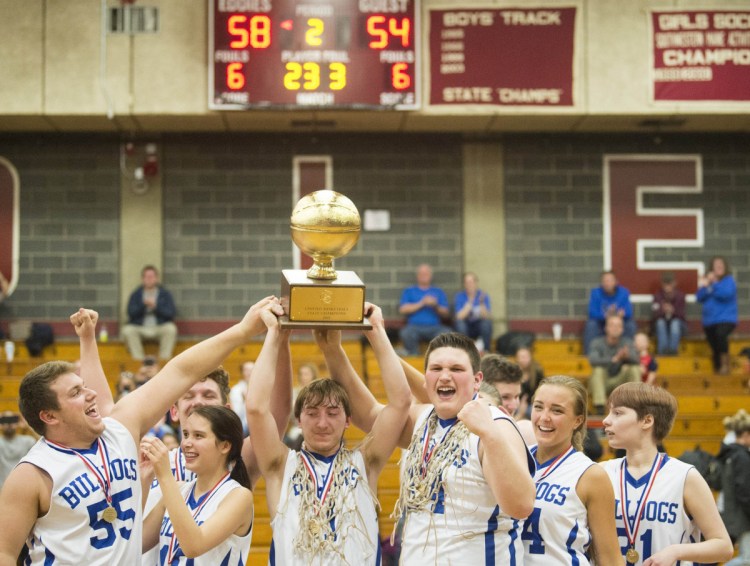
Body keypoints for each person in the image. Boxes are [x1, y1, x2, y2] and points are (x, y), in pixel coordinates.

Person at [0, 297, 284, 565]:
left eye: (84, 386)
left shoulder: (119, 431)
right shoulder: (31, 474)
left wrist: (244, 329)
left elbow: (180, 372)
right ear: (49, 416)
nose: (90, 395)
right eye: (76, 392)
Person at [342, 332, 535, 563]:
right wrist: (333, 350)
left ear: (477, 380)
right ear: (425, 378)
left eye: (456, 369)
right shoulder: (423, 418)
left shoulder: (496, 425)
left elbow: (522, 506)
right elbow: (368, 416)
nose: (445, 376)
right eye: (436, 369)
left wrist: (490, 435)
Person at [246, 301, 410, 564]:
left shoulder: (366, 462)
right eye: (312, 413)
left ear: (348, 420)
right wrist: (275, 335)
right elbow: (255, 408)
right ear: (298, 420)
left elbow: (401, 402)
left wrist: (376, 330)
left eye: (332, 413)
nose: (322, 423)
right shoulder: (279, 464)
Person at [601, 382, 734, 565]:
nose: (606, 420)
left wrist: (676, 551)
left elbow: (724, 547)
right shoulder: (600, 473)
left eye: (617, 413)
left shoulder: (685, 476)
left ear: (647, 421)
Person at [522, 375, 622, 565]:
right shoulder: (514, 460)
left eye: (557, 411)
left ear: (577, 421)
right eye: (538, 407)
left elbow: (609, 557)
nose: (544, 417)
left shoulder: (590, 475)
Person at [141, 406, 253, 565]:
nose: (186, 443)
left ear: (225, 446)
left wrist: (165, 475)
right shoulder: (179, 489)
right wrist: (144, 481)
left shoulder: (239, 496)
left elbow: (194, 546)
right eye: (186, 434)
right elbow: (133, 544)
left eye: (198, 436)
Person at [122, 265, 178, 361]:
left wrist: (156, 307)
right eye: (147, 277)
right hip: (141, 327)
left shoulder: (165, 294)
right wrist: (143, 305)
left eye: (151, 277)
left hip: (159, 326)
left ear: (156, 278)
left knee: (171, 329)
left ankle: (164, 361)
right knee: (128, 330)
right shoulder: (136, 294)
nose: (149, 279)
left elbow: (171, 313)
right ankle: (138, 361)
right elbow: (131, 313)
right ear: (142, 279)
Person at [588, 314, 640, 415]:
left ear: (622, 329)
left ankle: (636, 403)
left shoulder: (627, 342)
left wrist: (627, 357)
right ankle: (600, 408)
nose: (615, 328)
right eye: (612, 325)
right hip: (603, 381)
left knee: (633, 368)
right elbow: (593, 361)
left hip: (621, 382)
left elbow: (637, 360)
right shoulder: (597, 342)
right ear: (606, 328)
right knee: (598, 370)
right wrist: (614, 359)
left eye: (618, 326)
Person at [717, 412, 750, 566]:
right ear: (746, 434)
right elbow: (744, 490)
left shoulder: (728, 453)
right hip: (742, 516)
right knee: (747, 559)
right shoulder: (742, 456)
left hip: (731, 512)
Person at [696, 256, 738, 375]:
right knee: (714, 345)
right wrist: (705, 285)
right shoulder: (708, 283)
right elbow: (699, 297)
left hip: (726, 319)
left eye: (721, 265)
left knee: (721, 335)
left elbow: (726, 294)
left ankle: (725, 364)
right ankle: (718, 369)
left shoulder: (729, 280)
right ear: (712, 268)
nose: (719, 267)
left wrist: (713, 284)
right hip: (709, 321)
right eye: (716, 265)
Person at [398, 263, 451, 355]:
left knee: (447, 333)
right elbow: (403, 309)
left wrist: (435, 305)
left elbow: (446, 313)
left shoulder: (438, 291)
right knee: (406, 333)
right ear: (417, 276)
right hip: (414, 327)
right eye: (421, 274)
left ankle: (437, 358)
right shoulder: (409, 291)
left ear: (431, 276)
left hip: (435, 327)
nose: (423, 276)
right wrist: (422, 303)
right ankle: (414, 357)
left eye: (426, 274)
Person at [583, 271, 636, 354]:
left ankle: (630, 353)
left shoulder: (624, 292)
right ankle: (589, 354)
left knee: (630, 325)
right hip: (602, 322)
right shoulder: (595, 293)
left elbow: (629, 312)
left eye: (610, 280)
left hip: (619, 321)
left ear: (616, 282)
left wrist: (619, 315)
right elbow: (592, 313)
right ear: (602, 283)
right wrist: (605, 316)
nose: (607, 283)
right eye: (605, 281)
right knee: (591, 325)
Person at [453, 271, 493, 353]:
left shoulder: (483, 296)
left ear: (476, 283)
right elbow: (459, 317)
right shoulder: (460, 296)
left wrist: (481, 303)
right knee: (459, 324)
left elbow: (487, 316)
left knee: (487, 323)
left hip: (478, 326)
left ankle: (486, 351)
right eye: (466, 282)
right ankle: (465, 351)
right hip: (466, 326)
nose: (469, 284)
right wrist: (470, 301)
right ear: (464, 284)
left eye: (471, 282)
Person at [650, 272, 687, 356]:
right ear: (662, 284)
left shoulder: (680, 296)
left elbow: (682, 315)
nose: (667, 286)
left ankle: (672, 351)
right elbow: (654, 314)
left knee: (675, 323)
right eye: (665, 283)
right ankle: (663, 351)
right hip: (662, 324)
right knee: (660, 322)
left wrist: (672, 311)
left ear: (674, 283)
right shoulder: (657, 296)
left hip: (678, 325)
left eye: (669, 283)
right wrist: (663, 310)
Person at [0, 411, 36, 490]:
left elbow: (45, 444)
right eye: (5, 420)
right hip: (2, 490)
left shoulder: (27, 441)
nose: (9, 424)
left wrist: (28, 426)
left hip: (24, 488)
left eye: (12, 420)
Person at [516, 346, 545, 418]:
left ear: (530, 357)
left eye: (526, 357)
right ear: (517, 358)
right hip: (517, 404)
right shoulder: (513, 372)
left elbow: (541, 391)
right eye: (521, 357)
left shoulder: (537, 372)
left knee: (531, 411)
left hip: (532, 404)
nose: (524, 360)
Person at [229, 360, 255, 434]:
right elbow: (237, 414)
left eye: (252, 370)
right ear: (242, 373)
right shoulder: (236, 390)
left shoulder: (262, 389)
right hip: (242, 427)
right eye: (247, 370)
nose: (249, 373)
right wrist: (246, 400)